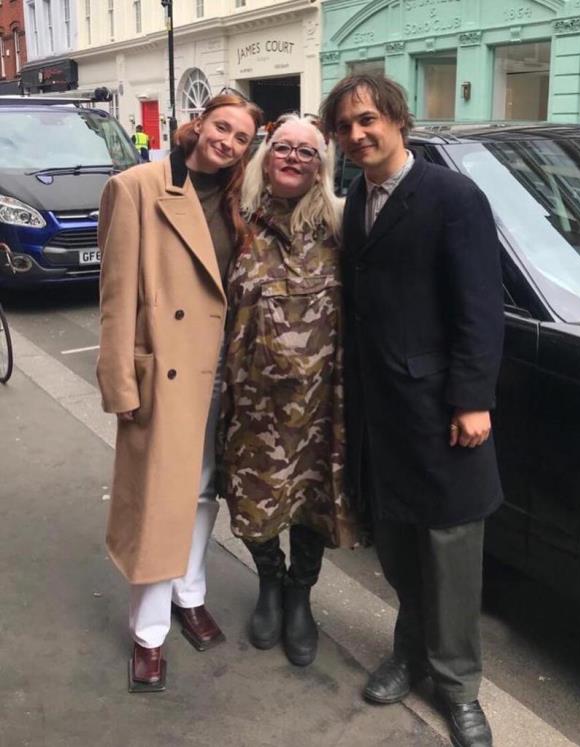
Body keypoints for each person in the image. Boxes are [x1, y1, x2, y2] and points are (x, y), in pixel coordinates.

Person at [320, 75, 504, 747]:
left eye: (367, 119)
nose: (357, 134)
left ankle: (458, 687)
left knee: (450, 551)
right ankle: (411, 647)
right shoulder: (357, 205)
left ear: (398, 119)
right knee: (398, 546)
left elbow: (479, 306)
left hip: (443, 410)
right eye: (345, 126)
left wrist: (473, 398)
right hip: (382, 410)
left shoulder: (452, 197)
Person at [97, 93, 262, 693]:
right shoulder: (138, 185)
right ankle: (149, 633)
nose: (228, 142)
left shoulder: (243, 197)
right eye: (223, 127)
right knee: (159, 499)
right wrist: (119, 381)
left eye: (242, 137)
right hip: (166, 370)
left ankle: (190, 593)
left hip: (224, 369)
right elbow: (116, 296)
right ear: (198, 125)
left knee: (203, 490)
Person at [219, 113, 359, 667]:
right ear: (265, 154)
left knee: (312, 502)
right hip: (253, 401)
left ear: (321, 163)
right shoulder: (238, 220)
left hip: (323, 403)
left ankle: (300, 593)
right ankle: (269, 583)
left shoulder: (342, 225)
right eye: (283, 147)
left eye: (307, 151)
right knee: (255, 504)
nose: (294, 158)